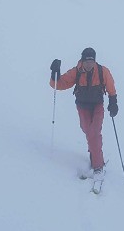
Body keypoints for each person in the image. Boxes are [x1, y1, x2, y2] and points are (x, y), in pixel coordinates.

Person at [50, 47, 118, 179]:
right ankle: (94, 151)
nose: (89, 64)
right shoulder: (76, 72)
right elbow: (59, 84)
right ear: (82, 60)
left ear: (94, 61)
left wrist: (113, 101)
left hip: (98, 106)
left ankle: (98, 165)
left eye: (91, 61)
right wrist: (55, 73)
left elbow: (110, 86)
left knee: (94, 132)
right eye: (86, 61)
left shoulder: (102, 71)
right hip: (82, 107)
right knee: (87, 130)